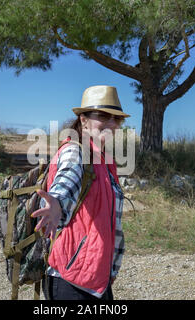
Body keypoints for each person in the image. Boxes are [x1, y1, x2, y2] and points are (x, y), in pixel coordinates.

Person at [31, 85, 130, 300]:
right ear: (83, 119)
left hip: (99, 282)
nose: (111, 124)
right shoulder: (75, 152)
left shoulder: (104, 160)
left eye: (117, 119)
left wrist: (111, 268)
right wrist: (56, 203)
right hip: (71, 281)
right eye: (103, 116)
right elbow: (66, 181)